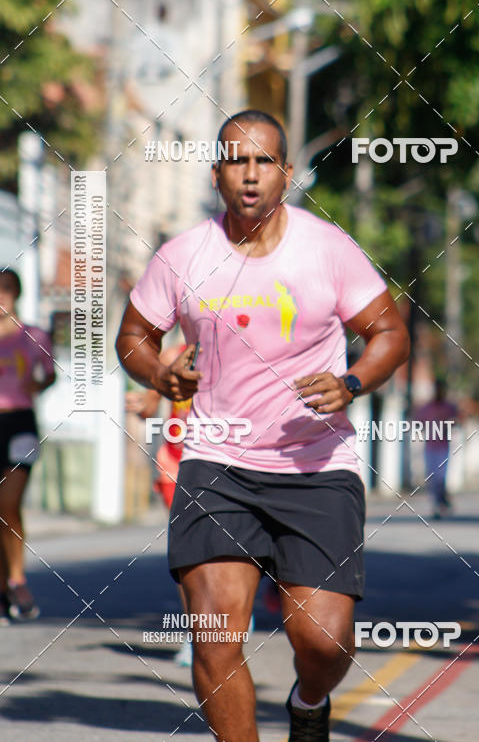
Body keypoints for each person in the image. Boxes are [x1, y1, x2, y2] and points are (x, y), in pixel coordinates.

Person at [116, 109, 410, 742]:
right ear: (218, 173)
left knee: (324, 642)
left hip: (316, 466)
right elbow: (135, 336)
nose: (250, 176)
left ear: (286, 173)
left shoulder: (328, 248)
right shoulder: (183, 256)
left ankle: (309, 703)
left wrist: (353, 381)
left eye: (263, 163)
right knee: (217, 634)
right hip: (216, 463)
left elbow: (390, 332)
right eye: (236, 161)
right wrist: (160, 378)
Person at [125, 343, 193, 666]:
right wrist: (142, 405)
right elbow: (151, 405)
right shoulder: (172, 356)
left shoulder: (248, 348)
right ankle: (198, 631)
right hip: (176, 463)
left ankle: (236, 608)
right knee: (188, 554)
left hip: (229, 460)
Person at [0, 268, 55, 623]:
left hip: (20, 423)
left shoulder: (32, 335)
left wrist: (39, 385)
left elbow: (48, 373)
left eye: (6, 291)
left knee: (9, 504)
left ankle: (16, 578)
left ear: (16, 294)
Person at [412, 378, 459, 519]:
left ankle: (442, 501)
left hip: (443, 447)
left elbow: (457, 421)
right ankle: (437, 504)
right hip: (430, 447)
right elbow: (418, 422)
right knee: (432, 478)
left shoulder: (449, 408)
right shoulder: (427, 408)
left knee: (440, 477)